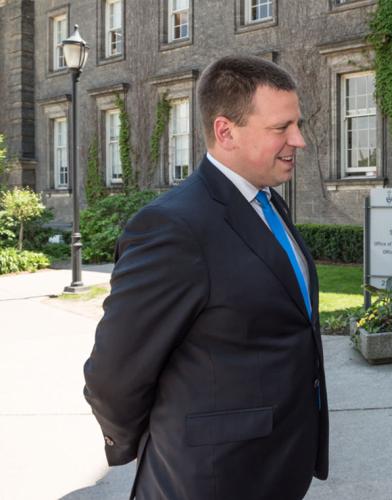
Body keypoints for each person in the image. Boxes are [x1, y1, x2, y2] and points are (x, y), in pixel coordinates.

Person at [83, 56, 328, 500]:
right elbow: (113, 374)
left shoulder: (269, 205)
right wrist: (149, 442)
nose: (299, 140)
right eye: (282, 128)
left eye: (298, 124)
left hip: (276, 467)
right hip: (206, 478)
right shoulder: (172, 227)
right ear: (225, 131)